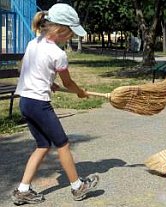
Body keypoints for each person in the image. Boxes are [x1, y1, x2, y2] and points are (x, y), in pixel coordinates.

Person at [12, 3, 99, 205]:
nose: (71, 37)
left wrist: (49, 83)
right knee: (63, 144)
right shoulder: (58, 54)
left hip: (25, 101)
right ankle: (78, 186)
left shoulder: (34, 43)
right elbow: (68, 82)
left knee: (43, 145)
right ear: (60, 30)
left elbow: (29, 67)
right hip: (39, 104)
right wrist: (80, 92)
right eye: (70, 33)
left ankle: (22, 190)